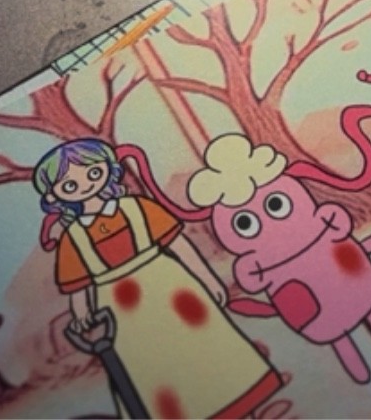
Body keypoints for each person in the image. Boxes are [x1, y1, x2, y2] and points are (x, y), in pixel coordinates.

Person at [33, 137, 281, 419]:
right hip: (121, 312)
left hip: (170, 289)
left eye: (93, 173)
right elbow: (79, 286)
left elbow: (179, 244)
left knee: (206, 345)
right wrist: (83, 317)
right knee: (154, 368)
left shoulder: (137, 207)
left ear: (109, 169)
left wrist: (207, 279)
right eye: (70, 185)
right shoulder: (73, 238)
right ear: (53, 197)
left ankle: (246, 405)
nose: (86, 185)